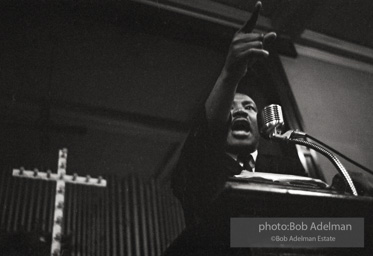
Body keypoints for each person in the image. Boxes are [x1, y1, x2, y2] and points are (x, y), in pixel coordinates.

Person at [163, 2, 307, 256]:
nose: (240, 110)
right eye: (231, 105)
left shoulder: (288, 170)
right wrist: (230, 74)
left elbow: (325, 231)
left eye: (249, 107)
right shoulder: (199, 167)